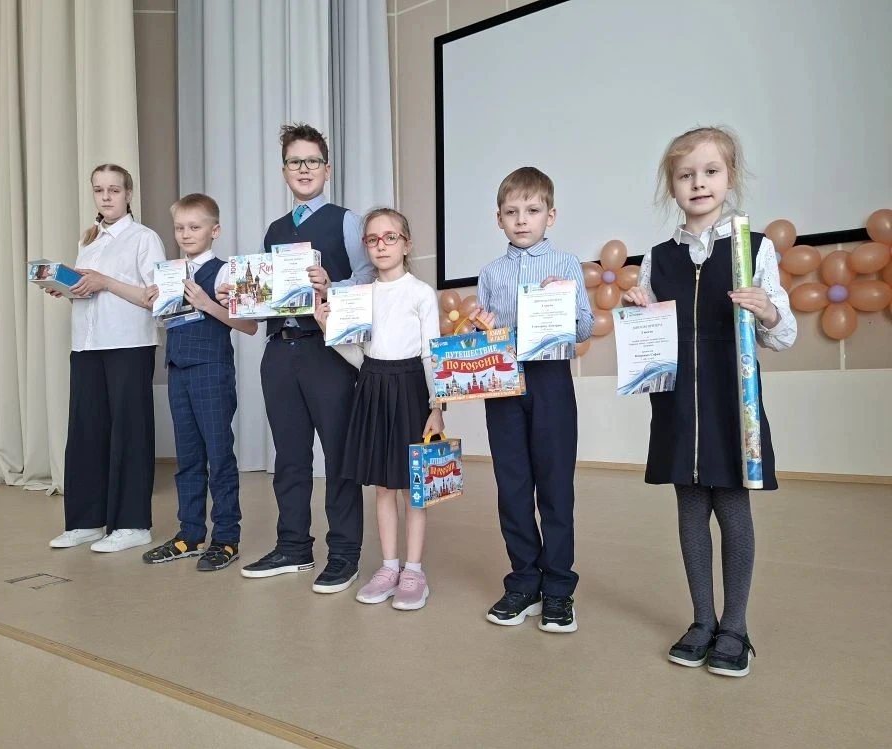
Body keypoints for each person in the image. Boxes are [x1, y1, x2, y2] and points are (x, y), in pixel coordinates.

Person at [623, 125, 797, 677]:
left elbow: (783, 335)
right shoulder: (657, 258)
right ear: (671, 185)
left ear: (730, 177)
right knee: (690, 510)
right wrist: (639, 309)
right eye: (685, 175)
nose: (698, 183)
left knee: (733, 509)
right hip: (678, 404)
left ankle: (735, 628)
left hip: (731, 401)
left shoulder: (754, 248)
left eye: (710, 171)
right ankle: (702, 620)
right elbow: (650, 336)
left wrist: (767, 309)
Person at [225, 123, 375, 594]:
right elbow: (267, 298)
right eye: (295, 162)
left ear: (327, 170)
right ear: (284, 171)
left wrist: (332, 285)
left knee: (339, 456)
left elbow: (370, 280)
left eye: (312, 161)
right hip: (279, 352)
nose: (304, 169)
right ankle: (292, 546)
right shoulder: (274, 230)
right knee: (289, 457)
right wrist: (238, 296)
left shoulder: (347, 221)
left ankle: (344, 554)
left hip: (328, 352)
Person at [468, 167, 593, 632]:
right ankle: (524, 581)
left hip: (551, 380)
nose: (522, 220)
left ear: (550, 216)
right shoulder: (490, 274)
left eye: (533, 210)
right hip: (503, 385)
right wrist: (480, 327)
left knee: (556, 486)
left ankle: (558, 587)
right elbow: (486, 332)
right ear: (498, 218)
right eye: (512, 212)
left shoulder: (566, 265)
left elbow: (585, 327)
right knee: (513, 485)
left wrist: (561, 306)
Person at [315, 208, 442, 610]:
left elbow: (431, 354)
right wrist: (328, 330)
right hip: (372, 387)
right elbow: (360, 357)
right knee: (383, 486)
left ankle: (414, 571)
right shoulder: (360, 296)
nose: (381, 246)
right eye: (372, 239)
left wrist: (436, 405)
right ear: (365, 246)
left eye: (390, 237)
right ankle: (388, 567)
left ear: (406, 244)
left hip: (411, 389)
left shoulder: (421, 293)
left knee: (413, 487)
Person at [47, 163, 165, 553]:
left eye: (114, 189)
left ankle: (133, 524)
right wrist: (67, 289)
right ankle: (86, 521)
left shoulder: (144, 238)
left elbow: (156, 297)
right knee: (85, 431)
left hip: (128, 345)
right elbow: (92, 294)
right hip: (86, 345)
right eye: (99, 190)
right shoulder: (90, 241)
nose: (106, 196)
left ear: (128, 194)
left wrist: (105, 282)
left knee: (129, 432)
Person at [141, 194, 257, 570]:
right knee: (187, 458)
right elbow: (168, 319)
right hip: (178, 368)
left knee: (218, 456)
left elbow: (250, 326)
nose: (186, 234)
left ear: (214, 230)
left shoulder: (225, 273)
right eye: (179, 227)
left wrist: (207, 303)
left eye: (194, 227)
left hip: (211, 370)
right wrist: (156, 301)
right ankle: (190, 533)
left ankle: (226, 538)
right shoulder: (169, 273)